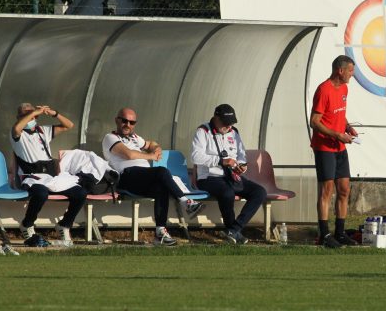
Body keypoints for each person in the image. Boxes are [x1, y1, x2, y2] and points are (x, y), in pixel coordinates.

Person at [102, 108, 204, 246]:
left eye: (132, 122)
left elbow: (151, 143)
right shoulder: (110, 137)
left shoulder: (134, 138)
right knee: (161, 171)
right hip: (126, 176)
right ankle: (186, 202)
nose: (128, 124)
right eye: (124, 121)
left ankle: (160, 232)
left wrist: (156, 149)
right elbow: (129, 155)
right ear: (117, 120)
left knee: (162, 187)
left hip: (143, 177)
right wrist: (151, 156)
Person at [11, 103, 87, 247]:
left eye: (32, 113)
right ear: (18, 117)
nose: (30, 116)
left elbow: (69, 125)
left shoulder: (42, 130)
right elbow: (16, 128)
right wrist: (32, 113)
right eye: (24, 114)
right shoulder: (17, 133)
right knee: (41, 194)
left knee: (80, 193)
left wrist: (53, 113)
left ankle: (64, 225)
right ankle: (27, 224)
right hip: (31, 176)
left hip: (49, 176)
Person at [191, 104, 266, 244]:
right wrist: (221, 161)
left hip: (232, 177)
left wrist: (241, 166)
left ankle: (234, 230)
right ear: (216, 118)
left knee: (260, 192)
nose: (228, 126)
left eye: (231, 123)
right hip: (209, 177)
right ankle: (234, 232)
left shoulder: (234, 132)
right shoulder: (203, 131)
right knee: (227, 193)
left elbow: (241, 155)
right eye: (225, 123)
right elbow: (196, 157)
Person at [310, 55, 359, 248]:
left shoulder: (345, 88)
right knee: (326, 190)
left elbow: (338, 112)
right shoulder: (324, 89)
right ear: (340, 70)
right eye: (350, 71)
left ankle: (340, 233)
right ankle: (324, 235)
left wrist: (347, 127)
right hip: (324, 147)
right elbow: (314, 121)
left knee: (344, 189)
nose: (352, 75)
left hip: (340, 146)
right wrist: (337, 135)